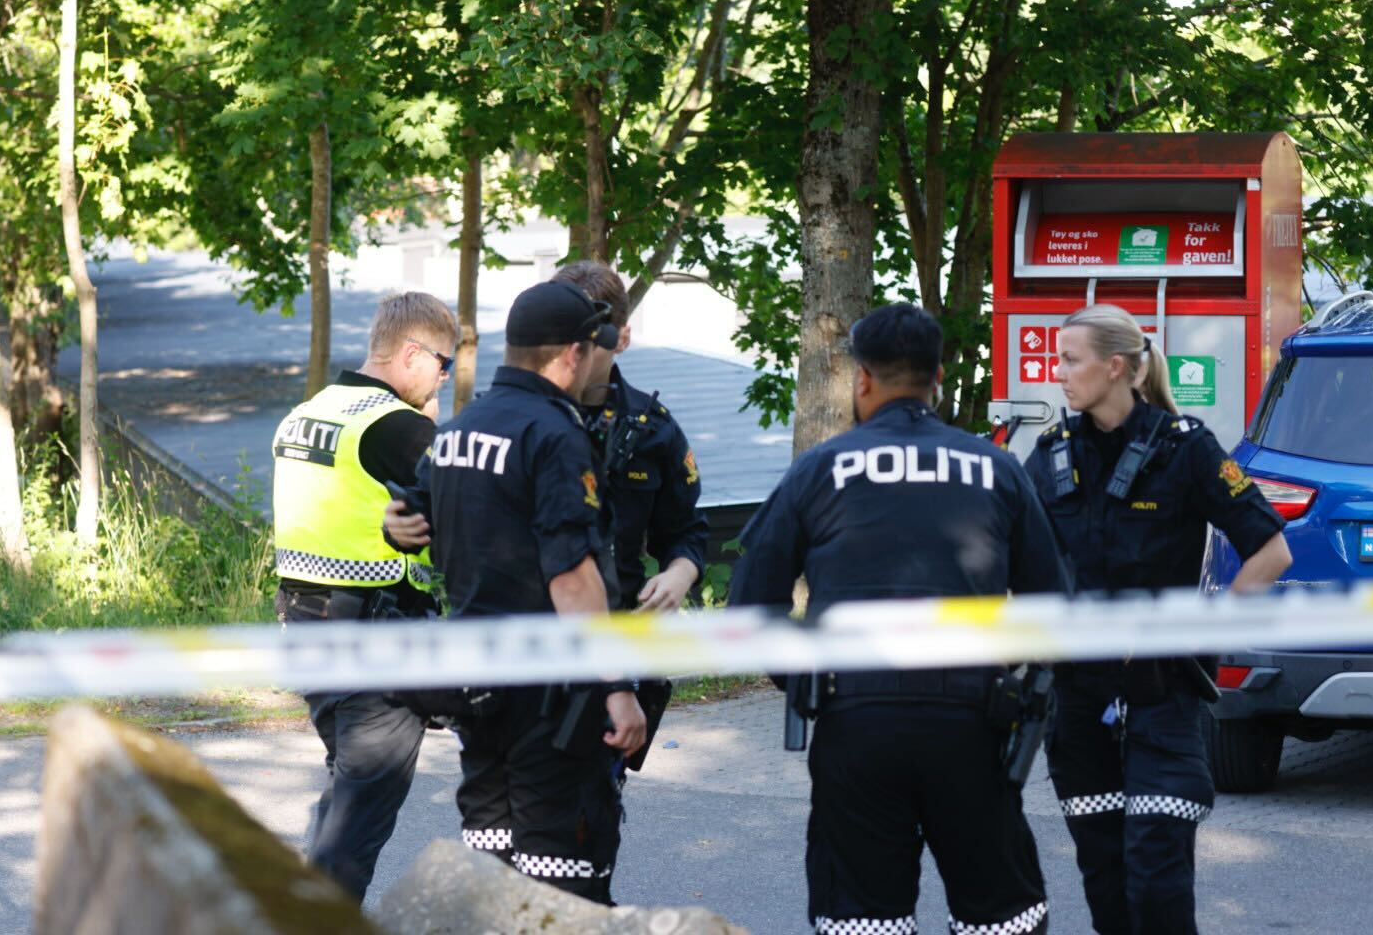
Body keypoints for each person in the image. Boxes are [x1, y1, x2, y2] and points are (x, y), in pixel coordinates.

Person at [728, 303, 1066, 935]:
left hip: (856, 722)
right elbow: (1052, 602)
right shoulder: (995, 467)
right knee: (1002, 920)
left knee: (861, 920)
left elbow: (750, 607)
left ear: (862, 378)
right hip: (973, 722)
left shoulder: (818, 469)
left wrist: (805, 681)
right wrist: (1011, 674)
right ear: (938, 377)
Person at [1025, 304, 1292, 935]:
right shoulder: (1051, 454)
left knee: (1156, 876)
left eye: (1070, 359)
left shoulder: (1186, 448)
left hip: (1163, 695)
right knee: (1107, 880)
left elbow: (1270, 551)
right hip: (1079, 701)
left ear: (1116, 367)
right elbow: (1019, 561)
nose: (1058, 372)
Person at [385, 280, 646, 904]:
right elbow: (571, 577)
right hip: (549, 695)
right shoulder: (553, 434)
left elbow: (410, 516)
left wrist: (397, 526)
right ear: (573, 354)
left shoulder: (459, 428)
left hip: (478, 687)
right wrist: (617, 686)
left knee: (491, 869)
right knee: (563, 882)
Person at [270, 290, 456, 901]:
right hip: (374, 640)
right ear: (411, 354)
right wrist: (430, 430)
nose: (445, 377)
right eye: (443, 363)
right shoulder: (399, 426)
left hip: (306, 629)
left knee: (347, 793)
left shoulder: (309, 412)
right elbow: (463, 507)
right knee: (357, 823)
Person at [551, 260, 708, 613]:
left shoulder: (652, 429)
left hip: (617, 622)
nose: (573, 355)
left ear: (622, 339)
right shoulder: (516, 419)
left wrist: (679, 574)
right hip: (528, 629)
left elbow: (685, 529)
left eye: (590, 341)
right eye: (562, 339)